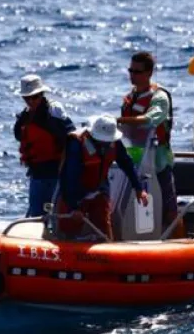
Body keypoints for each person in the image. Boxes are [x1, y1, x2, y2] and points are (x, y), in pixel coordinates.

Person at [57, 114, 149, 240]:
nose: (106, 144)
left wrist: (139, 188)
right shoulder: (77, 144)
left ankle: (106, 248)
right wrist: (74, 206)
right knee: (69, 230)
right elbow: (70, 177)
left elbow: (126, 163)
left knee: (103, 228)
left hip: (99, 189)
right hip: (76, 193)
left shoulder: (114, 143)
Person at [116, 51, 178, 234]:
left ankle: (176, 237)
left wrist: (119, 121)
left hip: (157, 161)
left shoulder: (159, 97)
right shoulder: (130, 97)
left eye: (137, 71)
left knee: (168, 207)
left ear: (149, 73)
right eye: (130, 70)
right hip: (133, 160)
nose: (132, 75)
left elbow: (151, 120)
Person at [14, 74, 75, 217]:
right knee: (36, 213)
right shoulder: (25, 117)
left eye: (34, 97)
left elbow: (71, 136)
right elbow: (18, 135)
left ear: (42, 94)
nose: (30, 101)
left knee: (55, 213)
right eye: (26, 98)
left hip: (56, 172)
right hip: (37, 173)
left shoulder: (54, 111)